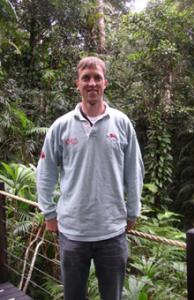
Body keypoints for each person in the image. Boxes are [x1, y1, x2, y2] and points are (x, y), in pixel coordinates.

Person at [36, 56, 144, 300]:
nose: (92, 83)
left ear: (105, 83)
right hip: (72, 232)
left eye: (97, 77)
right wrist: (49, 212)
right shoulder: (61, 126)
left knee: (112, 296)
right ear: (78, 84)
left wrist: (133, 211)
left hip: (112, 231)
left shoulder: (122, 123)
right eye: (86, 78)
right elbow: (45, 171)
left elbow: (133, 170)